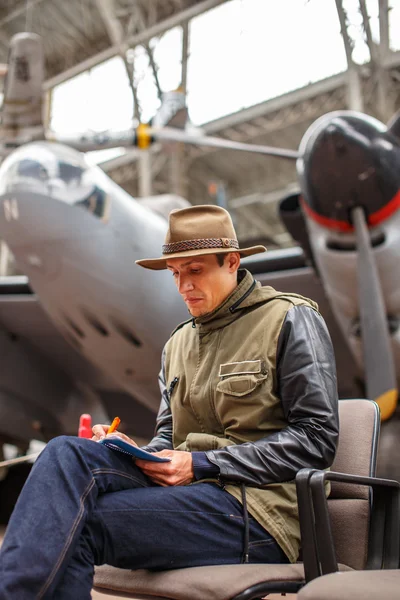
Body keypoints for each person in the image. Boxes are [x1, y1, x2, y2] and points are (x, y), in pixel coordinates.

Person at [0, 205, 339, 599]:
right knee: (64, 453)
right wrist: (129, 450)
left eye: (194, 271)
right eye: (176, 274)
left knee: (77, 522)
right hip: (188, 493)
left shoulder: (290, 319)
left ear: (232, 262)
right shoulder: (177, 344)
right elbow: (167, 440)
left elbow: (317, 440)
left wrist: (201, 463)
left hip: (259, 512)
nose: (183, 286)